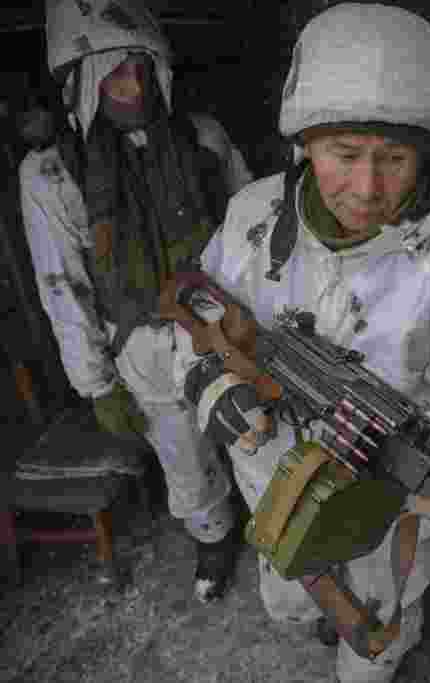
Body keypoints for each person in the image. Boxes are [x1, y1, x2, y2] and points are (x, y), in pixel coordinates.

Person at [119, 3, 430, 681]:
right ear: (305, 142)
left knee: (376, 640)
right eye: (345, 154)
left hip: (390, 524)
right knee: (292, 605)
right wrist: (213, 385)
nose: (366, 187)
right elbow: (196, 319)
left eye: (393, 158)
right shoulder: (253, 221)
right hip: (273, 488)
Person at [20, 0, 253, 602]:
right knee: (183, 452)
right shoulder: (48, 174)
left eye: (140, 69)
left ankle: (280, 532)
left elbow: (253, 224)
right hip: (140, 339)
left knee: (256, 429)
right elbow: (61, 286)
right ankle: (214, 536)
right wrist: (95, 385)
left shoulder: (203, 137)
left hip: (222, 322)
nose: (131, 86)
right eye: (110, 74)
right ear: (79, 84)